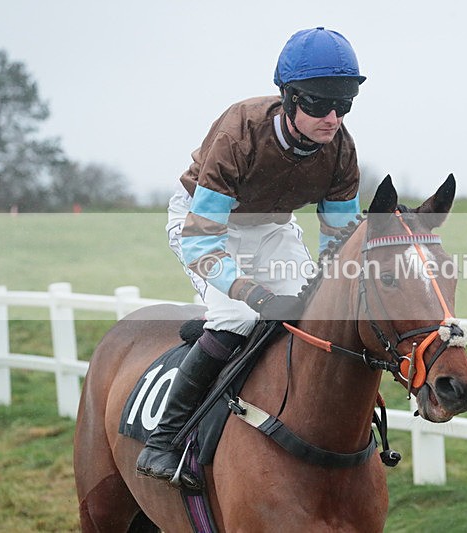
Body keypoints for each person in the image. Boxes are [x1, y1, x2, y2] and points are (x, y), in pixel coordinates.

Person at [136, 27, 366, 485]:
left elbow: (339, 243)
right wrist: (252, 294)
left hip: (272, 227)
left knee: (309, 312)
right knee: (240, 318)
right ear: (289, 97)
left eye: (344, 104)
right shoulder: (240, 129)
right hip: (205, 224)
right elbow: (203, 242)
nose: (334, 118)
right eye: (320, 104)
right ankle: (163, 439)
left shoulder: (341, 150)